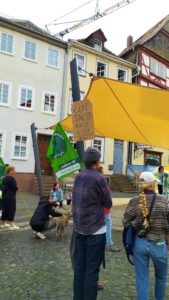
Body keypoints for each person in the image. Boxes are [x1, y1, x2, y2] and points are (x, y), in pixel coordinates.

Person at [72, 147, 112, 300]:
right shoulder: (99, 178)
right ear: (97, 161)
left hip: (80, 229)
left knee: (79, 268)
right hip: (96, 230)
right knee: (92, 270)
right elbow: (108, 203)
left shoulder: (79, 176)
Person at [123, 171, 169, 300]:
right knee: (161, 277)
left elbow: (125, 221)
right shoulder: (164, 201)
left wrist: (136, 223)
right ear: (153, 184)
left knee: (142, 278)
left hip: (140, 244)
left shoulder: (134, 201)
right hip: (159, 244)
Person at [98, 166, 120, 252]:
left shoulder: (93, 182)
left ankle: (102, 243)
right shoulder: (103, 182)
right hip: (104, 209)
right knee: (108, 224)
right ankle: (109, 243)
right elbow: (108, 200)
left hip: (97, 209)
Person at [0, 166, 19, 230]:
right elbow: (15, 187)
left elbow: (2, 186)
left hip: (5, 195)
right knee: (12, 209)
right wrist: (17, 187)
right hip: (11, 196)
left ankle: (3, 223)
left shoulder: (5, 178)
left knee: (5, 209)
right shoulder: (11, 178)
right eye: (13, 170)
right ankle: (12, 224)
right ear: (10, 171)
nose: (14, 171)